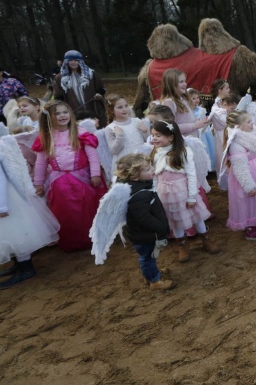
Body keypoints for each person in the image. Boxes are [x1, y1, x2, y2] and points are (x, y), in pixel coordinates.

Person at [33, 100, 107, 251]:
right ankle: (72, 242)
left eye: (65, 112)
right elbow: (40, 163)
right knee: (65, 212)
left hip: (83, 180)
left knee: (86, 208)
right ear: (49, 118)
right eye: (57, 113)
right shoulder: (46, 137)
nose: (62, 116)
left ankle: (92, 238)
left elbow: (93, 156)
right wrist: (38, 183)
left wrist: (95, 174)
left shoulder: (81, 133)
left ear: (71, 114)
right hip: (59, 183)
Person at [150, 119, 219, 262]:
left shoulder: (183, 152)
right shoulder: (155, 153)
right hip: (165, 194)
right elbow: (155, 176)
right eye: (153, 135)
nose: (154, 138)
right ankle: (182, 245)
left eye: (158, 135)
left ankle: (205, 238)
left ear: (170, 137)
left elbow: (191, 175)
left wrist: (192, 196)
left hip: (183, 192)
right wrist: (155, 193)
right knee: (175, 220)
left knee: (196, 217)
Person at [0, 134, 60, 289]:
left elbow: (1, 178)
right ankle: (18, 264)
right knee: (11, 234)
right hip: (7, 197)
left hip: (7, 198)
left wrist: (2, 206)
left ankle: (26, 268)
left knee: (17, 233)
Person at [115, 153, 174, 290]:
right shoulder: (138, 196)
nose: (152, 169)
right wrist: (159, 226)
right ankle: (153, 280)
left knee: (150, 256)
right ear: (134, 176)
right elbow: (143, 218)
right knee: (147, 257)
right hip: (145, 235)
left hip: (145, 234)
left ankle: (153, 272)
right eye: (147, 169)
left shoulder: (140, 186)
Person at [221, 110, 256, 241]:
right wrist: (248, 186)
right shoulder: (236, 142)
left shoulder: (251, 134)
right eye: (248, 121)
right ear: (238, 126)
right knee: (250, 199)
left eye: (251, 120)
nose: (252, 123)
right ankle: (251, 228)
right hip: (248, 176)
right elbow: (240, 166)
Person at [53, 51, 107, 128]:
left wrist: (99, 94)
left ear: (80, 61)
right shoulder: (60, 78)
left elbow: (102, 89)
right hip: (74, 111)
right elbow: (58, 97)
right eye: (70, 60)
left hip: (93, 109)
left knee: (97, 131)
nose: (73, 62)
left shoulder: (91, 74)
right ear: (66, 62)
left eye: (76, 60)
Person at [104, 95, 148, 173]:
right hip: (125, 162)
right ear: (111, 111)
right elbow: (114, 151)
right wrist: (119, 136)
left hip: (141, 158)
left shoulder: (136, 121)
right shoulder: (110, 128)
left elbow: (148, 141)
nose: (124, 109)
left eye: (126, 106)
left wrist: (145, 131)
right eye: (120, 107)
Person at [159, 69, 208, 139]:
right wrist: (194, 125)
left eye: (185, 81)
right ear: (172, 84)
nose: (185, 84)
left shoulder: (183, 98)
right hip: (183, 142)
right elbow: (170, 126)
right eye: (181, 82)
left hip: (193, 139)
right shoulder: (169, 102)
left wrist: (199, 122)